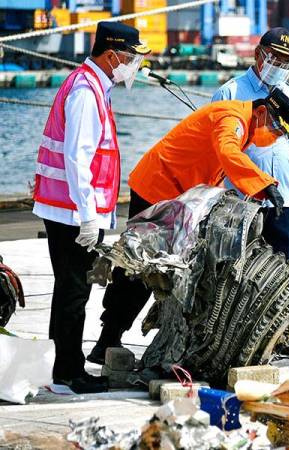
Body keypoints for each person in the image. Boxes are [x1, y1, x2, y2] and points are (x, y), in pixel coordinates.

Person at [87, 88, 289, 364]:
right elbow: (227, 151)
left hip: (179, 197)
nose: (275, 137)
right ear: (261, 113)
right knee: (140, 265)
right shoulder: (232, 118)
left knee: (170, 268)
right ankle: (107, 340)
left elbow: (217, 167)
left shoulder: (246, 126)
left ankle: (132, 339)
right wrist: (264, 183)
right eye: (275, 129)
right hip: (158, 186)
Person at [32, 22, 150, 393]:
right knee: (74, 292)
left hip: (70, 209)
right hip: (73, 213)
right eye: (131, 59)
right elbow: (77, 157)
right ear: (112, 55)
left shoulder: (94, 86)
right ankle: (69, 372)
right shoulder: (85, 91)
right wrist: (87, 215)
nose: (133, 66)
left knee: (70, 289)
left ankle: (62, 365)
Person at [211, 28, 289, 356]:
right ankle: (238, 339)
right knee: (240, 272)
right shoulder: (231, 92)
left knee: (285, 266)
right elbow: (219, 149)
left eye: (288, 61)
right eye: (277, 58)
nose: (281, 65)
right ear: (259, 54)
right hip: (242, 200)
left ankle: (284, 335)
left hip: (281, 196)